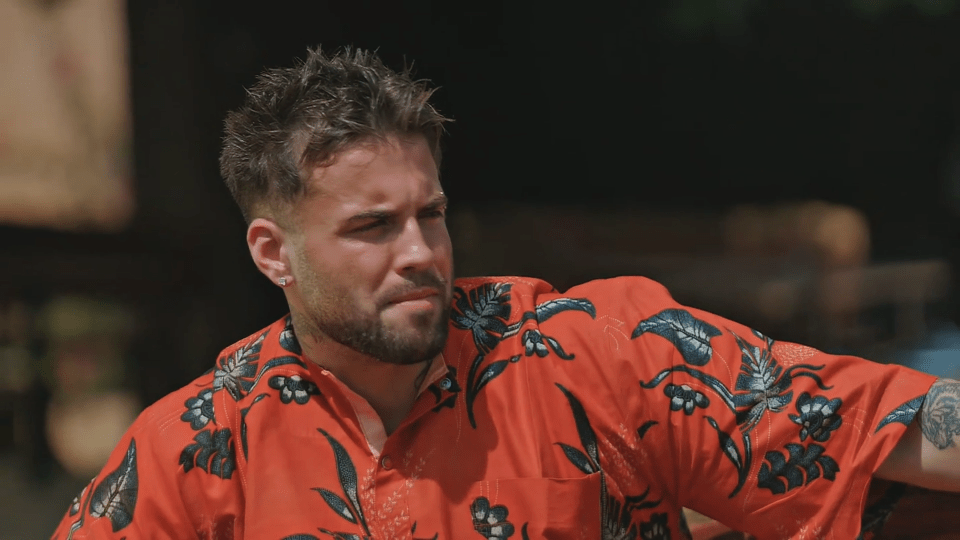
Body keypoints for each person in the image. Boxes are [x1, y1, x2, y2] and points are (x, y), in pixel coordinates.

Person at [51, 47, 960, 540]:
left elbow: (892, 425)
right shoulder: (196, 452)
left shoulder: (595, 353)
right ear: (272, 253)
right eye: (373, 227)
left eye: (432, 214)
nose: (421, 253)